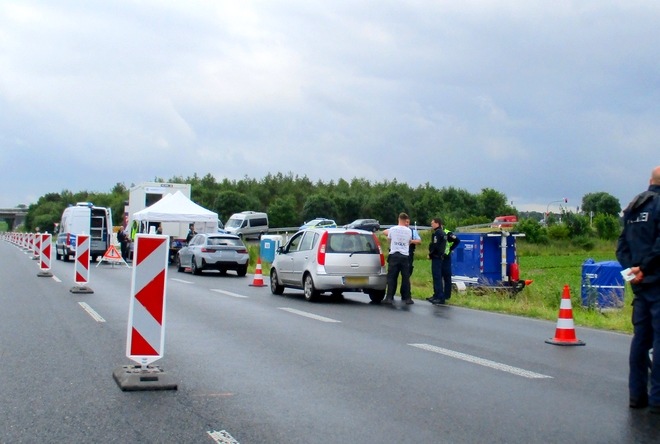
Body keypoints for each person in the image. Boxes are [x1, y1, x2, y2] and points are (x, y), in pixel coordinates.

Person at [616, 165, 660, 413]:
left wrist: (631, 272)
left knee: (641, 340)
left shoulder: (633, 208)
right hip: (656, 281)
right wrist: (644, 268)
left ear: (649, 181)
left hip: (640, 286)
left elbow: (621, 246)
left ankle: (636, 396)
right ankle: (657, 399)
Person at [383, 213, 421, 305]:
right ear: (406, 220)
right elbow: (409, 241)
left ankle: (389, 297)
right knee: (406, 278)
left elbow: (389, 240)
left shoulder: (392, 229)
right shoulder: (409, 231)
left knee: (392, 277)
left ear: (398, 219)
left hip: (394, 254)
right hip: (405, 256)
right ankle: (407, 298)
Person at [427, 218, 447, 305]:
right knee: (437, 277)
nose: (431, 225)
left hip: (436, 257)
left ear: (437, 224)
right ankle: (436, 295)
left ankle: (440, 296)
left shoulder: (437, 233)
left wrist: (430, 255)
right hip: (440, 257)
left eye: (432, 223)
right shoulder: (443, 233)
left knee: (437, 277)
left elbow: (435, 246)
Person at [441, 224, 461, 301]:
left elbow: (457, 240)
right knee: (439, 276)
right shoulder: (437, 233)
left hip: (446, 257)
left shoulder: (448, 233)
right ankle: (440, 294)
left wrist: (451, 248)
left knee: (447, 277)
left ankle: (447, 295)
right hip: (439, 257)